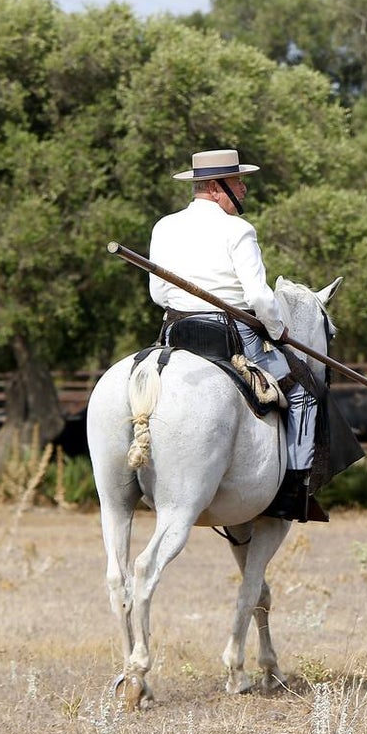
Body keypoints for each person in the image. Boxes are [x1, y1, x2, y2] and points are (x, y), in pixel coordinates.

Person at [148, 148, 328, 523]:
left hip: (175, 332)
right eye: (238, 182)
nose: (244, 189)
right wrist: (278, 330)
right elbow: (260, 296)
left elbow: (158, 295)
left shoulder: (163, 226)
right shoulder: (238, 229)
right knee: (304, 389)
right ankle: (294, 486)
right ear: (216, 187)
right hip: (229, 335)